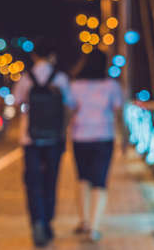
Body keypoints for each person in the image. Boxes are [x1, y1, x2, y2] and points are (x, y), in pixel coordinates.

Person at [13, 42, 74, 247]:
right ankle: (48, 221)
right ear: (52, 56)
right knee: (51, 181)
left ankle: (37, 222)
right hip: (55, 139)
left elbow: (16, 102)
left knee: (33, 184)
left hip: (30, 138)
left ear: (34, 55)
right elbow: (70, 105)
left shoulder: (25, 78)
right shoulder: (61, 78)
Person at [70, 51, 124, 242]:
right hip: (103, 137)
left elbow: (70, 108)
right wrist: (123, 138)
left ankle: (83, 221)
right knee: (100, 181)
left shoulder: (75, 86)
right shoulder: (111, 86)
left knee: (83, 178)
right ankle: (94, 227)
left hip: (80, 136)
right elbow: (118, 109)